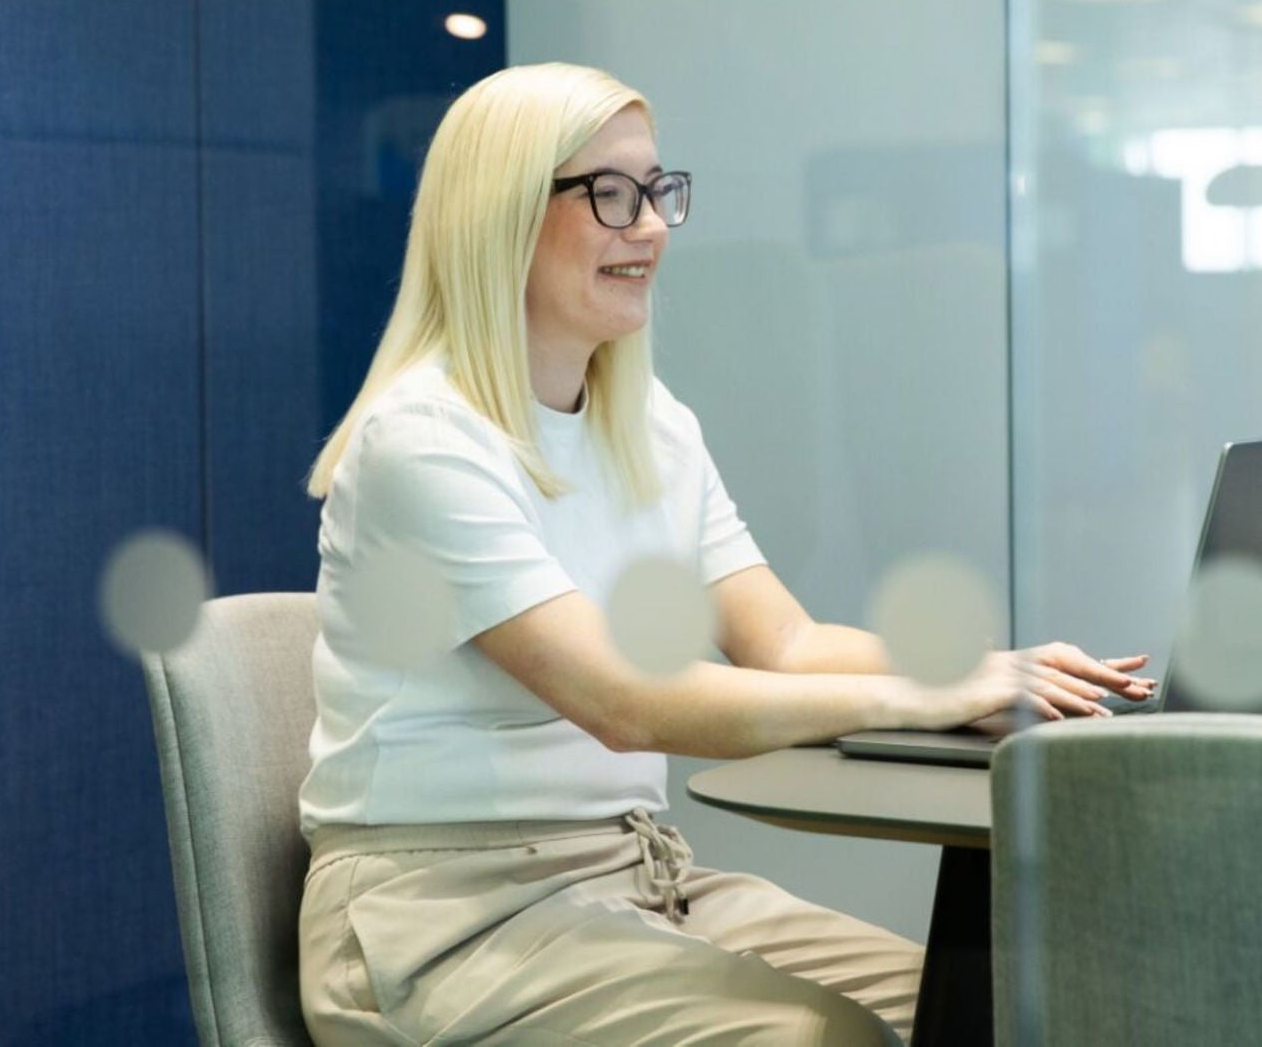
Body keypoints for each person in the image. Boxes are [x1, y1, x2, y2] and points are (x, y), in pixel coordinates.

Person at [296, 62, 1154, 1045]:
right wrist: (920, 695)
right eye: (610, 195)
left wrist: (978, 671)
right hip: (441, 922)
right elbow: (626, 699)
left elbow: (782, 639)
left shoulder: (646, 421)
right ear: (499, 216)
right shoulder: (425, 439)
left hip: (637, 876)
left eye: (659, 191)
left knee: (993, 1011)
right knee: (823, 1039)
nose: (652, 226)